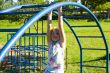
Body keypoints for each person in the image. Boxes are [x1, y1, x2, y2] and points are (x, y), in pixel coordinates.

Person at [44, 7, 66, 73]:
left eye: (57, 33)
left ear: (60, 35)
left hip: (58, 70)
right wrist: (49, 14)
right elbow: (49, 27)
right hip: (49, 70)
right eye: (53, 33)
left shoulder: (61, 43)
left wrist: (60, 12)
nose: (55, 35)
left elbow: (60, 26)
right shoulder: (50, 43)